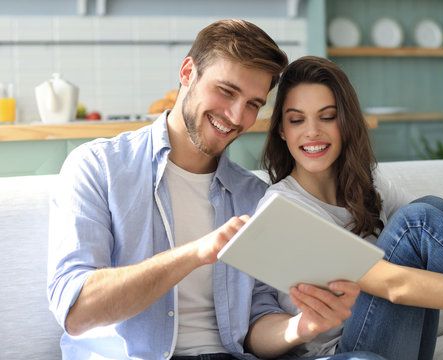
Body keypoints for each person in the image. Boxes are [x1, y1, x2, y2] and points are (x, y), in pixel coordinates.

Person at [47, 20, 386, 360]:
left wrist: (299, 328)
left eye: (254, 103)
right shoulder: (98, 168)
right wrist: (195, 254)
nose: (237, 116)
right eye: (226, 91)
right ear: (187, 72)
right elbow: (76, 310)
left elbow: (256, 322)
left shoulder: (253, 196)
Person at [252, 55, 443, 360]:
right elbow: (393, 285)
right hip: (344, 353)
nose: (311, 132)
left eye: (327, 116)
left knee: (429, 208)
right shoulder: (283, 207)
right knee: (416, 222)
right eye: (297, 119)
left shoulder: (367, 184)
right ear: (282, 130)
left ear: (346, 122)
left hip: (398, 340)